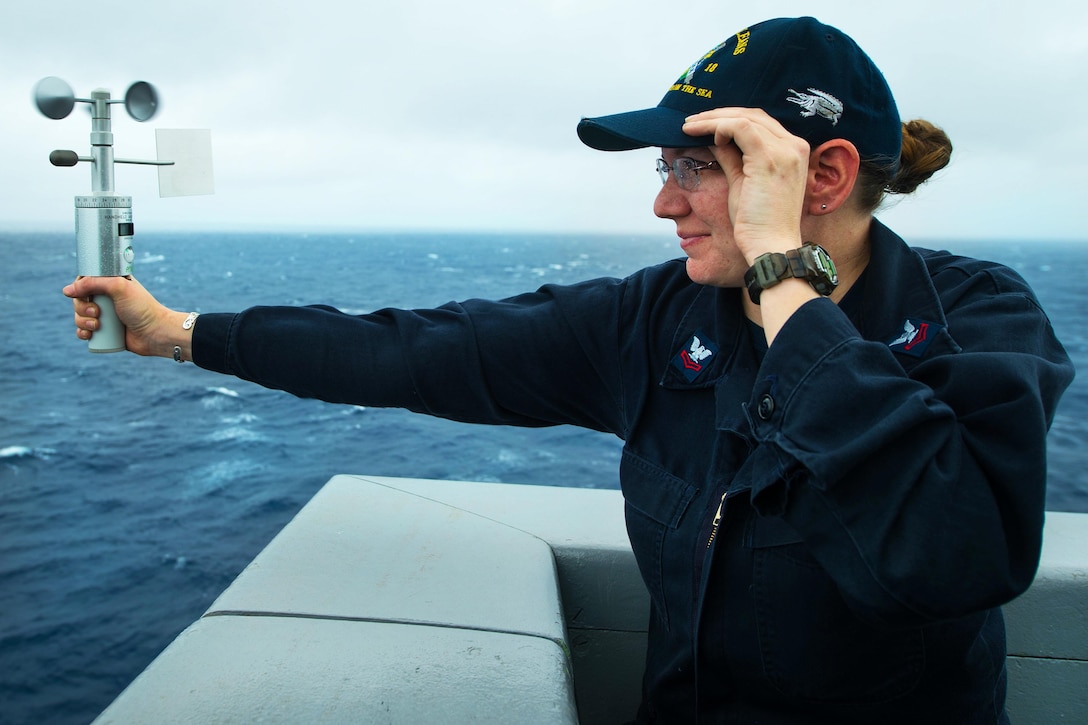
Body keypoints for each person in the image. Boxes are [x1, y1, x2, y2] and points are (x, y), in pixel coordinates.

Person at [65, 16, 1073, 724]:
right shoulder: (658, 318)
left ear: (821, 176)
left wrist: (779, 275)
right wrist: (182, 332)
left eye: (694, 166)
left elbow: (958, 551)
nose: (663, 204)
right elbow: (424, 346)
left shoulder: (973, 319)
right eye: (662, 168)